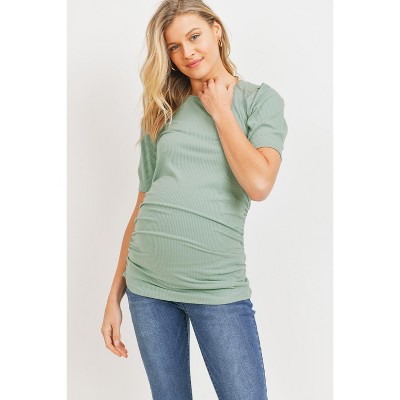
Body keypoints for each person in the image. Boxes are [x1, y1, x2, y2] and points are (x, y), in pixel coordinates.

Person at [101, 1, 288, 399]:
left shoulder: (259, 101)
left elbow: (259, 184)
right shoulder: (162, 109)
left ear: (216, 30)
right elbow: (142, 203)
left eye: (194, 36)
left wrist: (221, 112)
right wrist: (114, 297)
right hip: (148, 286)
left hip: (217, 287)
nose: (187, 52)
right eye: (174, 46)